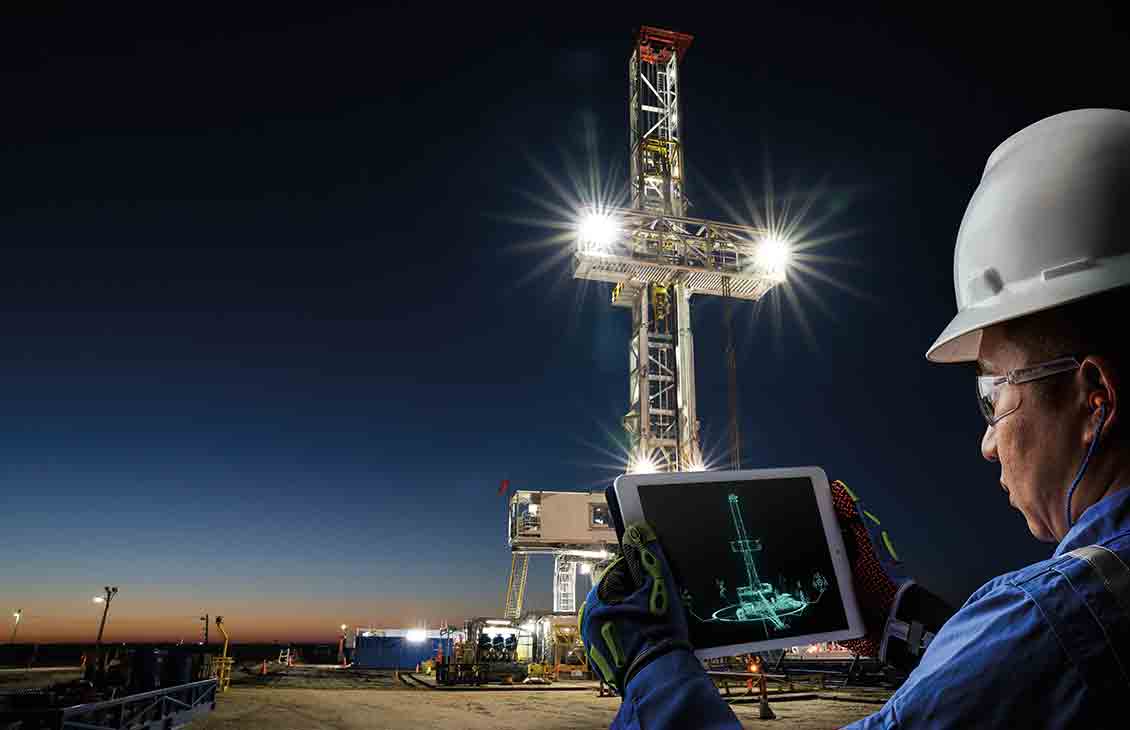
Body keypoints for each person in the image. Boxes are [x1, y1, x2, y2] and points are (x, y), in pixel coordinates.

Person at [579, 108, 1130, 729]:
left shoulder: (1058, 619)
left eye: (992, 394)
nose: (986, 443)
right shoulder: (1063, 622)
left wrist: (652, 665)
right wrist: (896, 617)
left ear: (1094, 400)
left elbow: (1045, 647)